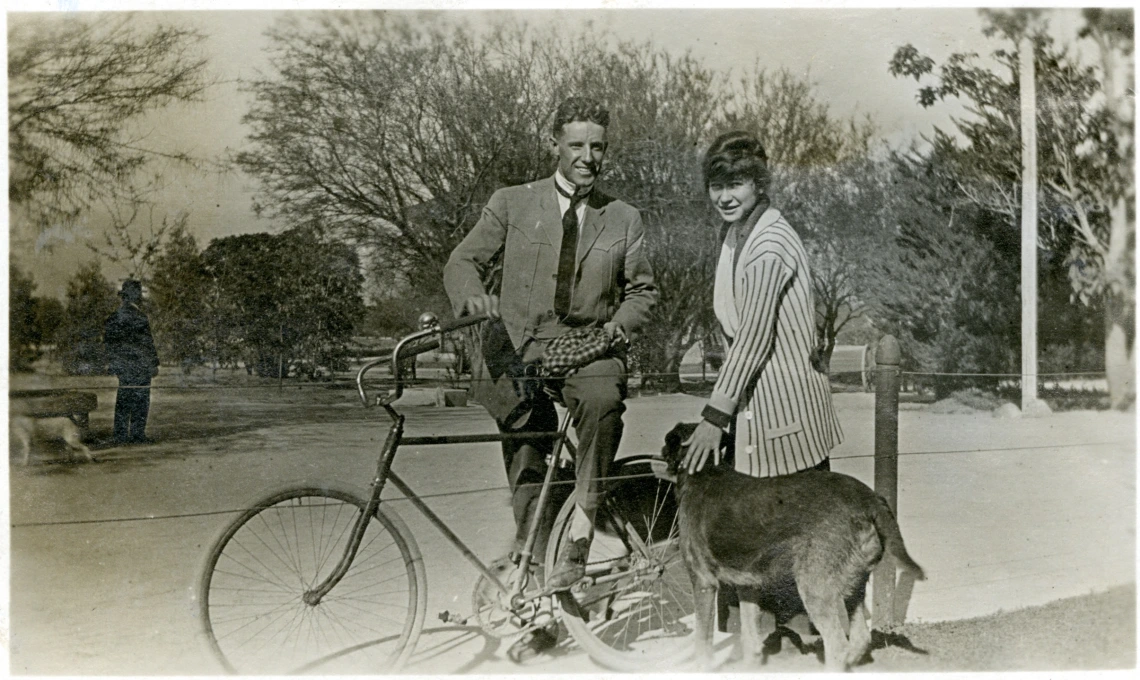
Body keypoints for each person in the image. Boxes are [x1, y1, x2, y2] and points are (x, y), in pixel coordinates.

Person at [444, 96, 657, 606]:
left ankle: (583, 523)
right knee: (526, 457)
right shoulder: (513, 202)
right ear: (554, 143)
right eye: (577, 144)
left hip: (585, 347)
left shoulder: (623, 217)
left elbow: (642, 291)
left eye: (598, 147)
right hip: (518, 350)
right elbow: (461, 261)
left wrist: (615, 332)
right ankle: (535, 572)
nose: (588, 156)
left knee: (604, 397)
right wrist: (472, 293)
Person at [681, 129, 845, 634]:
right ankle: (773, 634)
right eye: (717, 185)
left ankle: (812, 634)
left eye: (738, 183)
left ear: (759, 183)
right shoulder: (736, 233)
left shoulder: (769, 241)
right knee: (762, 530)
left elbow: (752, 339)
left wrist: (713, 416)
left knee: (801, 533)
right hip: (756, 407)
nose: (725, 196)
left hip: (785, 409)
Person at [104, 279, 160, 445]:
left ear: (123, 297)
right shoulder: (140, 317)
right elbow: (147, 343)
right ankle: (137, 435)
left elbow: (109, 344)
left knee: (124, 398)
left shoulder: (114, 317)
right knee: (141, 399)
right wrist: (154, 364)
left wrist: (114, 363)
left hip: (124, 366)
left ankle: (120, 435)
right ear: (137, 298)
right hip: (141, 365)